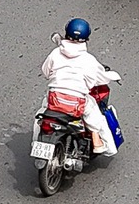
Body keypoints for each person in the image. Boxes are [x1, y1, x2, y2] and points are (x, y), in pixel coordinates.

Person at [43, 18, 123, 153]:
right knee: (94, 112)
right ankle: (97, 141)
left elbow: (46, 72)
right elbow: (95, 81)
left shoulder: (55, 53)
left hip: (54, 99)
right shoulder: (89, 60)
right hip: (75, 104)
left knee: (43, 108)